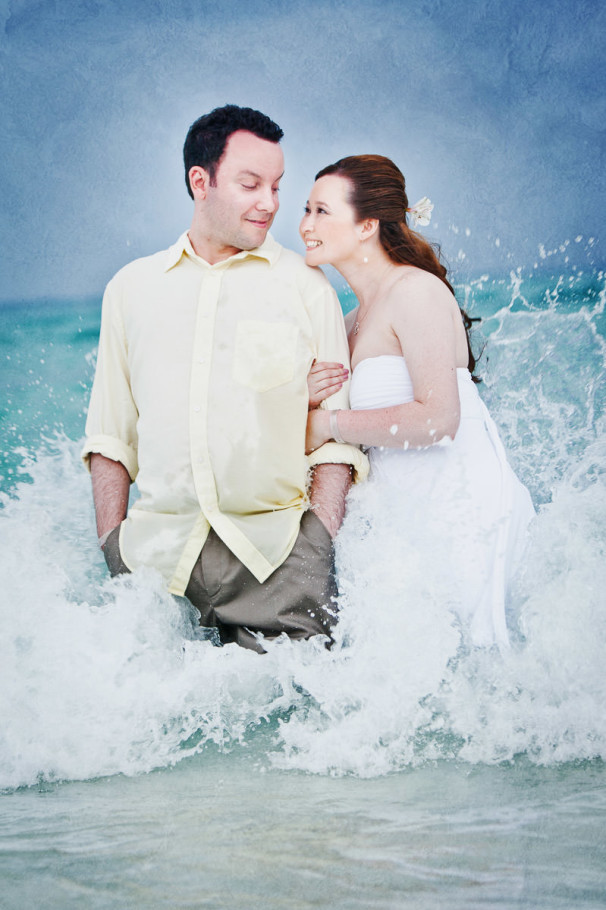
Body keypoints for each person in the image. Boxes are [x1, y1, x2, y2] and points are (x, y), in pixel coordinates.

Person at [82, 105, 367, 653]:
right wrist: (111, 544)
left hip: (279, 561)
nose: (271, 203)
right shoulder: (131, 289)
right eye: (251, 183)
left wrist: (320, 540)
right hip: (157, 565)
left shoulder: (308, 288)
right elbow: (111, 434)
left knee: (302, 727)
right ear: (200, 181)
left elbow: (335, 442)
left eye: (277, 186)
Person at [301, 155, 534, 648]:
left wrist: (327, 424)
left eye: (322, 211)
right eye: (306, 210)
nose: (305, 225)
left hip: (463, 512)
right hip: (406, 525)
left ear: (367, 224)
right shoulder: (349, 323)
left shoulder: (416, 291)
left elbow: (439, 418)